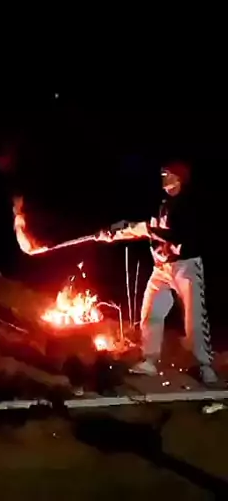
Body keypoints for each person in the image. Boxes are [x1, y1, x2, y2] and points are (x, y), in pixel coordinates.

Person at [96, 161, 218, 385]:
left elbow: (174, 234)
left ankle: (205, 366)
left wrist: (143, 229)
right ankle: (150, 360)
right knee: (151, 312)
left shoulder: (190, 205)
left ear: (179, 179)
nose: (163, 177)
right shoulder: (162, 204)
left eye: (167, 174)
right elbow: (146, 228)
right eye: (162, 173)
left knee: (194, 319)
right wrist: (115, 232)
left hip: (186, 266)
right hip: (161, 268)